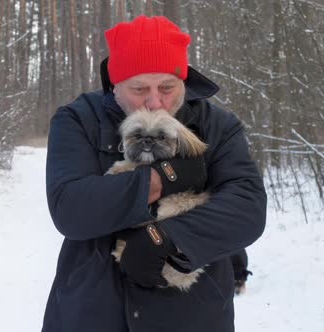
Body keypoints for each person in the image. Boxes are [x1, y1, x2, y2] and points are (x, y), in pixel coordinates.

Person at [43, 15, 266, 332]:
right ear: (116, 84)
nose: (154, 100)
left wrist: (167, 238)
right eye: (138, 88)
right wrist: (164, 178)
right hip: (93, 312)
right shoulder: (79, 119)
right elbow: (70, 207)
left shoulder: (217, 126)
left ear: (183, 82)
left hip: (195, 315)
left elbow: (248, 209)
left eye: (167, 87)